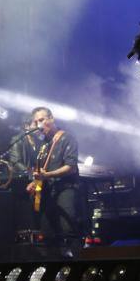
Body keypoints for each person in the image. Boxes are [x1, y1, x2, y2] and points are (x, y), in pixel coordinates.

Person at [26, 107, 83, 255]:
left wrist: (48, 175)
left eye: (42, 120)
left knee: (68, 228)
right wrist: (35, 182)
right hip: (48, 191)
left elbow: (70, 167)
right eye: (36, 122)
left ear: (51, 119)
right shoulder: (43, 144)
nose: (39, 125)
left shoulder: (67, 138)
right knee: (47, 233)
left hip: (66, 187)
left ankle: (77, 263)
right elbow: (42, 171)